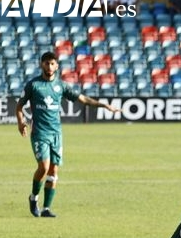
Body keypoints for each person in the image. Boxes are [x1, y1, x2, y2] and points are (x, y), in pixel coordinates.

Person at [16, 52, 120, 218]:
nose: (49, 67)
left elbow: (83, 99)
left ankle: (46, 209)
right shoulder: (33, 85)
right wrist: (21, 122)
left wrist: (104, 105)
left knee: (53, 171)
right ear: (41, 64)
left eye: (52, 63)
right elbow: (19, 106)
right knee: (43, 167)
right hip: (40, 133)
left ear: (57, 66)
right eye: (46, 63)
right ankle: (33, 197)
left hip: (56, 133)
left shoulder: (61, 86)